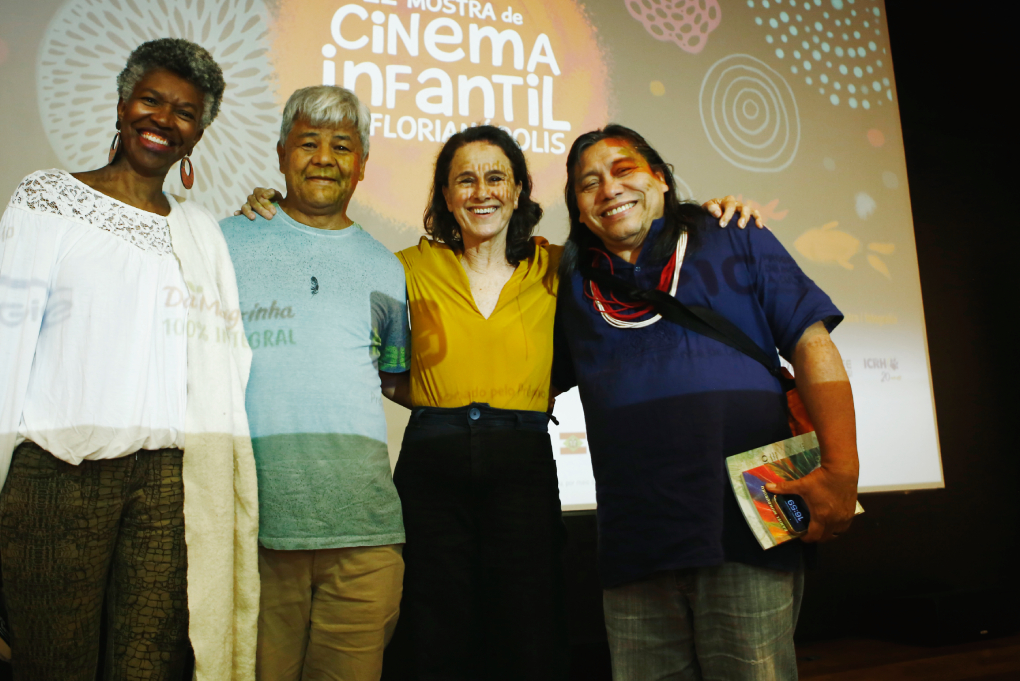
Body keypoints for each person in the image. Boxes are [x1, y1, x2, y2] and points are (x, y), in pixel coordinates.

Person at [239, 124, 761, 681]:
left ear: (517, 192)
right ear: (445, 195)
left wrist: (704, 217)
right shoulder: (404, 266)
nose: (481, 191)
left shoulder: (559, 265)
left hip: (522, 463)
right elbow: (355, 319)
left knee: (529, 632)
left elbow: (632, 239)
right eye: (464, 180)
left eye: (496, 178)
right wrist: (279, 209)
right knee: (430, 633)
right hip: (431, 465)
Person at [0, 38, 259, 681]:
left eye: (185, 112)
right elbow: (4, 354)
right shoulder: (49, 200)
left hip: (168, 487)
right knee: (55, 667)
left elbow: (224, 367)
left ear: (198, 135)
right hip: (58, 479)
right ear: (121, 105)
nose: (164, 120)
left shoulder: (200, 231)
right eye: (151, 100)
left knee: (149, 668)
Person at [553, 124, 859, 681]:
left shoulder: (734, 234)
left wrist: (842, 471)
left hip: (748, 527)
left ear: (661, 179)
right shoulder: (570, 283)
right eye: (588, 183)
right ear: (578, 207)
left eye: (624, 170)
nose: (608, 189)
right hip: (634, 543)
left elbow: (812, 344)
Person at [218, 86, 411, 681]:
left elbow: (394, 378)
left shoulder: (387, 267)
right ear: (281, 154)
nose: (324, 158)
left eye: (342, 146)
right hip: (255, 532)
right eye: (308, 143)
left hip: (366, 535)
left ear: (362, 164)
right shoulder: (226, 242)